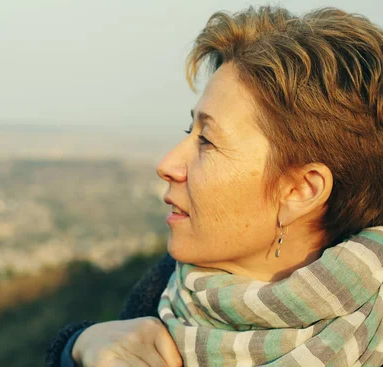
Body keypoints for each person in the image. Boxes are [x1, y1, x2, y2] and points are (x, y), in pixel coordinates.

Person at [46, 5, 383, 367]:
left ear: (299, 190)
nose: (167, 165)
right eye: (190, 131)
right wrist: (78, 349)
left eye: (206, 141)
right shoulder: (164, 288)